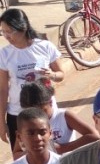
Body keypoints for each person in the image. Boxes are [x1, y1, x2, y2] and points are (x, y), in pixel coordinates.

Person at [0, 9, 64, 150]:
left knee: (51, 154)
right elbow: (3, 90)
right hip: (18, 113)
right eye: (3, 31)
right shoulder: (4, 54)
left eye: (10, 31)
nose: (6, 36)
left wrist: (52, 75)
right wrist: (1, 122)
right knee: (22, 157)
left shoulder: (45, 47)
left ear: (23, 27)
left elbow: (60, 74)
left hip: (45, 112)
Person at [16, 80, 99, 158]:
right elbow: (16, 154)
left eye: (42, 111)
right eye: (32, 112)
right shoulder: (25, 123)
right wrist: (30, 152)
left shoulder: (63, 116)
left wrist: (62, 148)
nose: (38, 116)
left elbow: (94, 136)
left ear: (50, 103)